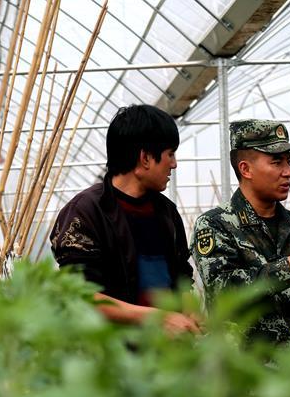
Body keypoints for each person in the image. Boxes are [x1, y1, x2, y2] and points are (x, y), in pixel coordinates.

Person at [50, 104, 200, 335]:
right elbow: (80, 294)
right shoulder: (85, 213)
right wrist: (157, 318)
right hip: (112, 354)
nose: (174, 163)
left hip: (168, 353)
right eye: (170, 154)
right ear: (146, 158)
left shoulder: (166, 212)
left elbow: (182, 277)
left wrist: (191, 314)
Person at [191, 120, 290, 343]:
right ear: (246, 169)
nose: (288, 172)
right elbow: (224, 292)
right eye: (277, 162)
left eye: (289, 162)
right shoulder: (215, 225)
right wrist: (287, 267)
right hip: (246, 371)